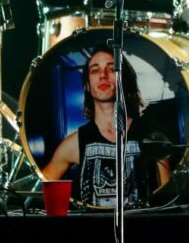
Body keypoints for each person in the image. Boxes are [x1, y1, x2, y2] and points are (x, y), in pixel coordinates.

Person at [41, 45, 149, 207]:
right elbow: (39, 191)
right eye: (95, 70)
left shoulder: (149, 135)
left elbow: (168, 202)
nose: (103, 75)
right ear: (87, 85)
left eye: (112, 69)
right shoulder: (73, 144)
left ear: (124, 81)